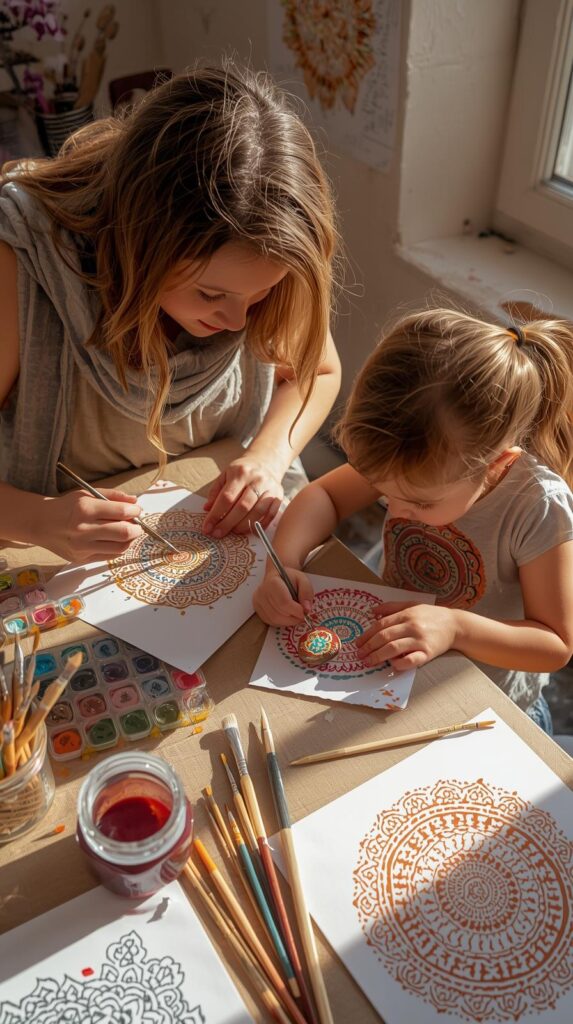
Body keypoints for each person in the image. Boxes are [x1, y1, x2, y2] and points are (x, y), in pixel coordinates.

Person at [0, 61, 341, 562]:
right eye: (210, 294)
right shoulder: (20, 267)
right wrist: (39, 519)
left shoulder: (272, 254)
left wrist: (268, 456)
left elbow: (319, 371)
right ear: (140, 241)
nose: (238, 324)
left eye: (260, 294)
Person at [253, 307, 573, 732]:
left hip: (485, 702)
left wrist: (456, 627)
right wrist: (286, 562)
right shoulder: (408, 453)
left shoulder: (538, 507)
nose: (397, 511)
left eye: (419, 504)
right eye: (385, 493)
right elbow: (325, 495)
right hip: (397, 668)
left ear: (495, 464)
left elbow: (554, 643)